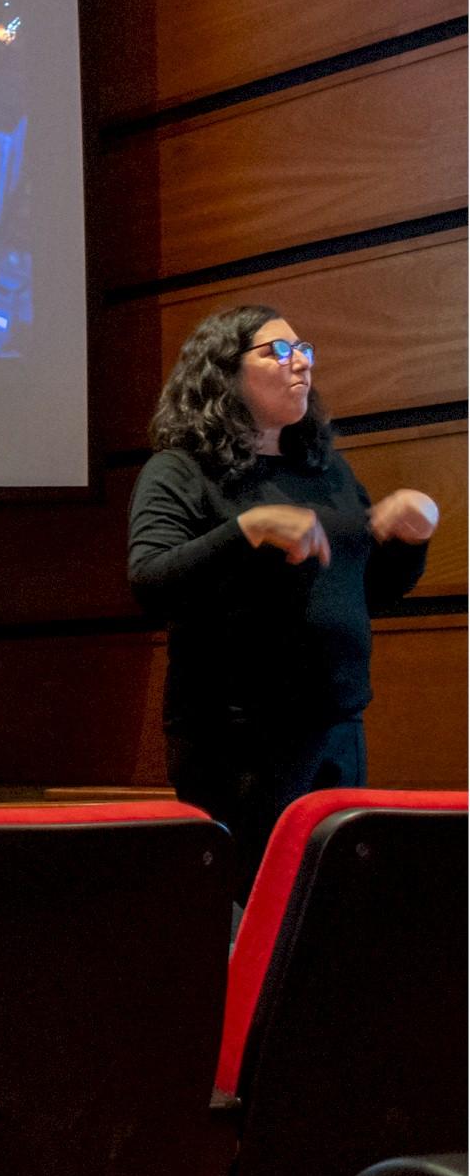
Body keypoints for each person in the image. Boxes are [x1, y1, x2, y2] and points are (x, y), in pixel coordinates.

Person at [128, 305, 438, 897]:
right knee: (254, 909)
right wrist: (245, 530)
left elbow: (363, 595)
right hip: (237, 735)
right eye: (278, 351)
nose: (300, 364)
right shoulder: (180, 471)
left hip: (336, 727)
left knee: (328, 913)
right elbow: (150, 582)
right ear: (224, 373)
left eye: (305, 351)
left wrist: (406, 543)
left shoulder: (326, 471)